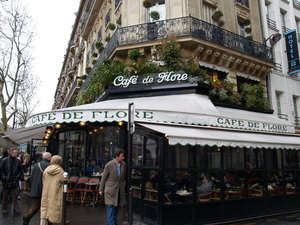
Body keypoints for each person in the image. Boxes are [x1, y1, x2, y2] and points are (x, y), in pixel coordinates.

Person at [23, 152, 52, 225]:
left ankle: (48, 221)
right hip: (43, 189)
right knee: (39, 206)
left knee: (37, 205)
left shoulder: (36, 165)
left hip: (35, 189)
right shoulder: (49, 166)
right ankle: (27, 216)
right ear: (49, 158)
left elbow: (32, 178)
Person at [99, 150, 126, 225]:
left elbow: (123, 178)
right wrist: (101, 189)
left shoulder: (124, 164)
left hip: (120, 189)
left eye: (123, 156)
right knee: (111, 206)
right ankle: (110, 223)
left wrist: (123, 187)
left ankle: (113, 221)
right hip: (110, 189)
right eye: (121, 156)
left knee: (116, 205)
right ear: (117, 157)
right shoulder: (109, 165)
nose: (123, 158)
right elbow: (103, 178)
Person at [40, 155, 64, 225]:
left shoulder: (47, 169)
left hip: (46, 192)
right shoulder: (60, 171)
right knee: (54, 208)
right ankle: (53, 221)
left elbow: (43, 180)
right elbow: (64, 181)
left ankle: (43, 223)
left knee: (45, 208)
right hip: (55, 192)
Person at [0, 149, 23, 214]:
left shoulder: (18, 161)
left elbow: (19, 171)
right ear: (11, 153)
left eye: (16, 153)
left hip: (15, 181)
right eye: (15, 153)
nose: (16, 154)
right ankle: (4, 208)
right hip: (6, 181)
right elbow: (1, 170)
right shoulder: (4, 160)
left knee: (15, 195)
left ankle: (16, 208)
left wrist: (17, 177)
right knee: (5, 196)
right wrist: (4, 177)